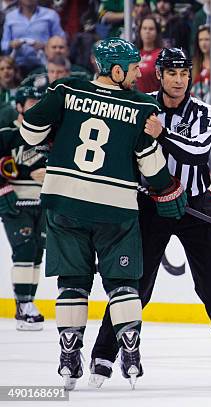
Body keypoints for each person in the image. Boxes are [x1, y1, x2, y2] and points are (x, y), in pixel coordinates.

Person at [18, 37, 187, 390]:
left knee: (72, 283)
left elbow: (30, 134)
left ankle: (68, 354)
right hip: (116, 210)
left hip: (64, 204)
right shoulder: (141, 107)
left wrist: (57, 128)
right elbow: (154, 171)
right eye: (134, 67)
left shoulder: (65, 90)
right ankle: (130, 348)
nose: (140, 72)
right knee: (123, 284)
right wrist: (168, 190)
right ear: (115, 70)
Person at [90, 47, 211, 388]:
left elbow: (198, 153)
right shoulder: (141, 106)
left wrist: (161, 133)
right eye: (172, 73)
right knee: (135, 283)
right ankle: (104, 354)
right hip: (151, 205)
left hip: (196, 203)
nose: (180, 80)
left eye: (185, 74)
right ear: (161, 75)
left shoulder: (203, 110)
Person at [0, 85, 45, 331]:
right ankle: (24, 303)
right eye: (31, 102)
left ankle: (27, 303)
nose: (37, 106)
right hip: (16, 202)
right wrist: (4, 191)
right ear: (18, 106)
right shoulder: (7, 135)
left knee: (37, 253)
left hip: (43, 202)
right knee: (25, 250)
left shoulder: (50, 135)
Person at [1, 0, 65, 74]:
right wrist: (11, 44)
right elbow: (3, 44)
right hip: (17, 67)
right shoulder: (10, 17)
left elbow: (61, 41)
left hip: (44, 65)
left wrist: (44, 46)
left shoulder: (51, 15)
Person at [135, 15, 162, 93]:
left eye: (151, 29)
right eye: (144, 28)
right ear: (140, 31)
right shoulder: (133, 54)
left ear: (157, 32)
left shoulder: (162, 55)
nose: (147, 31)